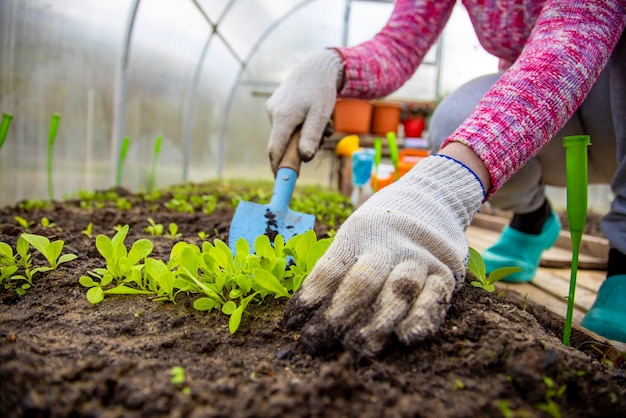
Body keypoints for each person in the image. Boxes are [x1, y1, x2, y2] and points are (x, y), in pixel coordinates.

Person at [265, 0, 626, 357]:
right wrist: (333, 65)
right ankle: (532, 221)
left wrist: (441, 187)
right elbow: (398, 46)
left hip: (610, 104)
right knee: (453, 117)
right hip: (543, 116)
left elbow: (577, 30)